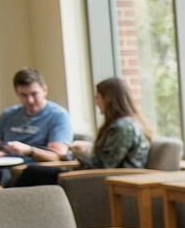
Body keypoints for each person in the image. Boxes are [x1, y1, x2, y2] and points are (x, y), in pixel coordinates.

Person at [11, 77, 151, 187]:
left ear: (108, 100)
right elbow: (109, 157)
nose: (96, 103)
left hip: (104, 181)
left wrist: (81, 154)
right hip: (94, 176)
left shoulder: (123, 127)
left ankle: (2, 202)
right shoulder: (122, 125)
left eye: (98, 98)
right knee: (34, 173)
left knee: (33, 173)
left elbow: (105, 166)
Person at [0, 68, 73, 183]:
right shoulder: (9, 114)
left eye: (34, 94)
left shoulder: (57, 116)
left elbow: (56, 156)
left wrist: (28, 150)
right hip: (2, 165)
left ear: (45, 90)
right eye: (23, 95)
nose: (30, 100)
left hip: (31, 169)